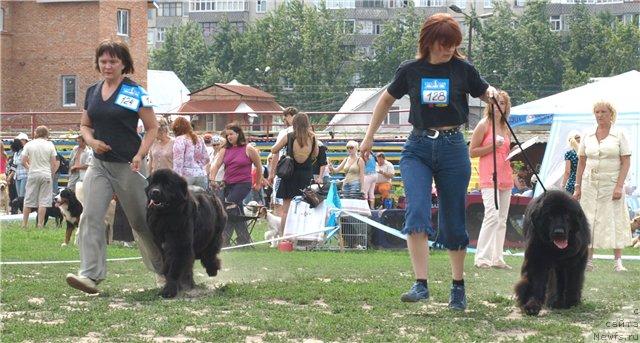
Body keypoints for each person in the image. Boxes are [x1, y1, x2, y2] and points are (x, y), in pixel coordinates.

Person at [359, 13, 497, 310]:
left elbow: (486, 92)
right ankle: (420, 284)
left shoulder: (463, 69)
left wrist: (495, 95)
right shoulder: (410, 70)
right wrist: (369, 136)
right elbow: (385, 100)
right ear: (430, 41)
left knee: (453, 219)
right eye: (445, 44)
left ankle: (457, 287)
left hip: (453, 148)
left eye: (453, 44)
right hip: (417, 148)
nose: (449, 50)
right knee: (417, 212)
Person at [65, 40, 164, 294]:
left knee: (141, 223)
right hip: (99, 165)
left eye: (113, 61)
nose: (107, 66)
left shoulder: (134, 91)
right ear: (98, 63)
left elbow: (152, 127)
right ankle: (90, 275)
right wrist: (91, 141)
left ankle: (165, 271)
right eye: (103, 61)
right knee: (90, 216)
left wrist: (141, 155)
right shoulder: (92, 92)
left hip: (129, 165)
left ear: (124, 64)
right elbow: (85, 125)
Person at [574, 101, 632, 272]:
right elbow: (582, 161)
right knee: (588, 219)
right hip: (590, 183)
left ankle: (618, 261)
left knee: (615, 219)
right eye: (597, 112)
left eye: (603, 112)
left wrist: (619, 186)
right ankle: (589, 260)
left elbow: (626, 161)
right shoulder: (587, 135)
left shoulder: (619, 134)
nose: (600, 115)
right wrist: (578, 186)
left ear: (611, 113)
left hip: (611, 183)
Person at [469, 90, 514, 270]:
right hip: (489, 176)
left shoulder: (506, 126)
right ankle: (482, 257)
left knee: (502, 218)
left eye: (502, 103)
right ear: (490, 105)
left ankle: (497, 257)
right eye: (495, 103)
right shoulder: (484, 124)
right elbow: (472, 151)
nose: (498, 106)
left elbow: (505, 151)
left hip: (505, 174)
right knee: (492, 215)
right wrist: (492, 146)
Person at [209, 123, 263, 245]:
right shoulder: (225, 149)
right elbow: (216, 165)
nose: (229, 137)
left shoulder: (248, 149)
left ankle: (225, 240)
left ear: (238, 134)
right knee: (237, 211)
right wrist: (212, 178)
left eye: (231, 134)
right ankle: (244, 239)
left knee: (229, 206)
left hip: (243, 184)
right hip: (228, 184)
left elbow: (259, 166)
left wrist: (258, 183)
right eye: (227, 135)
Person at [268, 112, 319, 237]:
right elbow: (315, 155)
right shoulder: (312, 137)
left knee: (286, 209)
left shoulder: (289, 136)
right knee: (304, 208)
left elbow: (274, 150)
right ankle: (302, 235)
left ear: (294, 123)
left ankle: (283, 236)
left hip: (290, 175)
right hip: (306, 174)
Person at [20, 126, 57, 228]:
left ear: (36, 133)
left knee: (28, 200)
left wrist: (29, 168)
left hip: (33, 173)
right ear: (46, 134)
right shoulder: (50, 144)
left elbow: (23, 161)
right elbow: (53, 163)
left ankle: (24, 224)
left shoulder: (29, 144)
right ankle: (40, 224)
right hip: (46, 174)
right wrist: (51, 175)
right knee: (43, 201)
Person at [172, 116, 209, 189]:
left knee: (184, 199)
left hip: (186, 176)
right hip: (201, 174)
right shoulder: (199, 138)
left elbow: (178, 161)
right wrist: (198, 166)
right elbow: (206, 158)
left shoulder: (180, 139)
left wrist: (175, 178)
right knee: (201, 199)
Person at [272, 107, 297, 211]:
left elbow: (275, 151)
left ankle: (280, 225)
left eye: (284, 118)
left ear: (288, 116)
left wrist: (272, 172)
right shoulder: (307, 132)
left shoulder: (285, 132)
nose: (284, 121)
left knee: (279, 201)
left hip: (284, 169)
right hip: (300, 170)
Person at [13, 133, 29, 199]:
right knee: (19, 195)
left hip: (25, 175)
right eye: (20, 140)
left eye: (23, 140)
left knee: (22, 195)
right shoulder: (16, 152)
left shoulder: (27, 151)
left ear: (26, 141)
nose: (21, 141)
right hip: (17, 175)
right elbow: (14, 164)